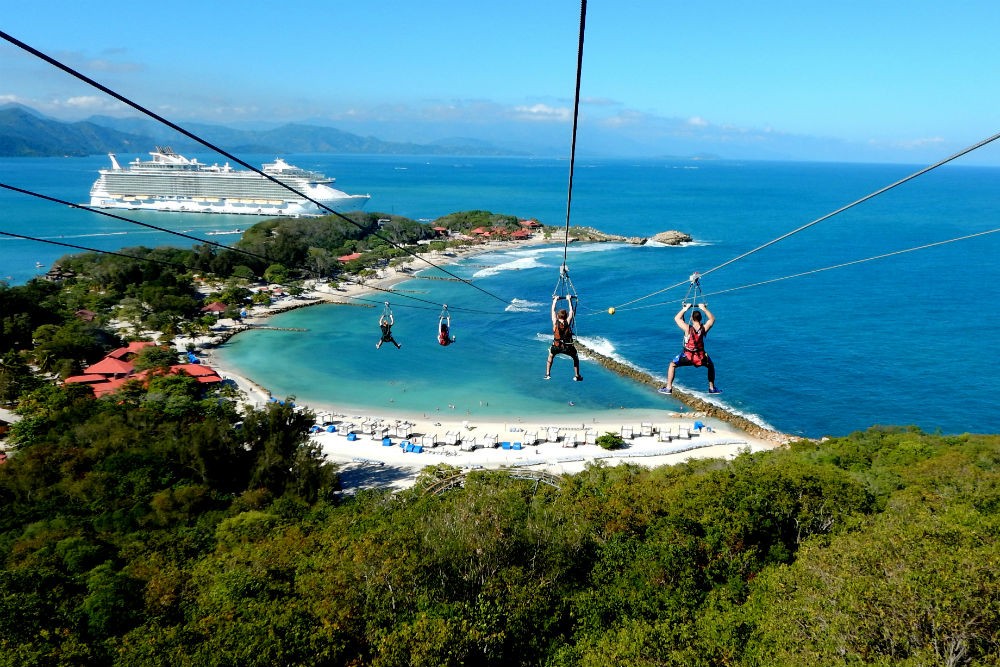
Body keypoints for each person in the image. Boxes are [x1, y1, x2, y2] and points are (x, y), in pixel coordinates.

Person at [661, 302, 719, 394]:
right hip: (701, 357)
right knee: (710, 365)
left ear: (692, 318)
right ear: (700, 318)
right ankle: (712, 388)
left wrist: (685, 309)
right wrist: (704, 308)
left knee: (672, 365)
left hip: (687, 356)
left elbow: (677, 318)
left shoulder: (687, 328)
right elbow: (712, 319)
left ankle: (668, 388)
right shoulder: (704, 328)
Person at [544, 295, 582, 381]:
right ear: (566, 316)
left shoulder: (555, 322)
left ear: (558, 316)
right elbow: (571, 311)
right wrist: (569, 300)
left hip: (556, 346)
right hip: (567, 347)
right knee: (575, 358)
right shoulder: (567, 322)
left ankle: (547, 374)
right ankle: (577, 375)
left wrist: (555, 300)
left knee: (550, 356)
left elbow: (553, 310)